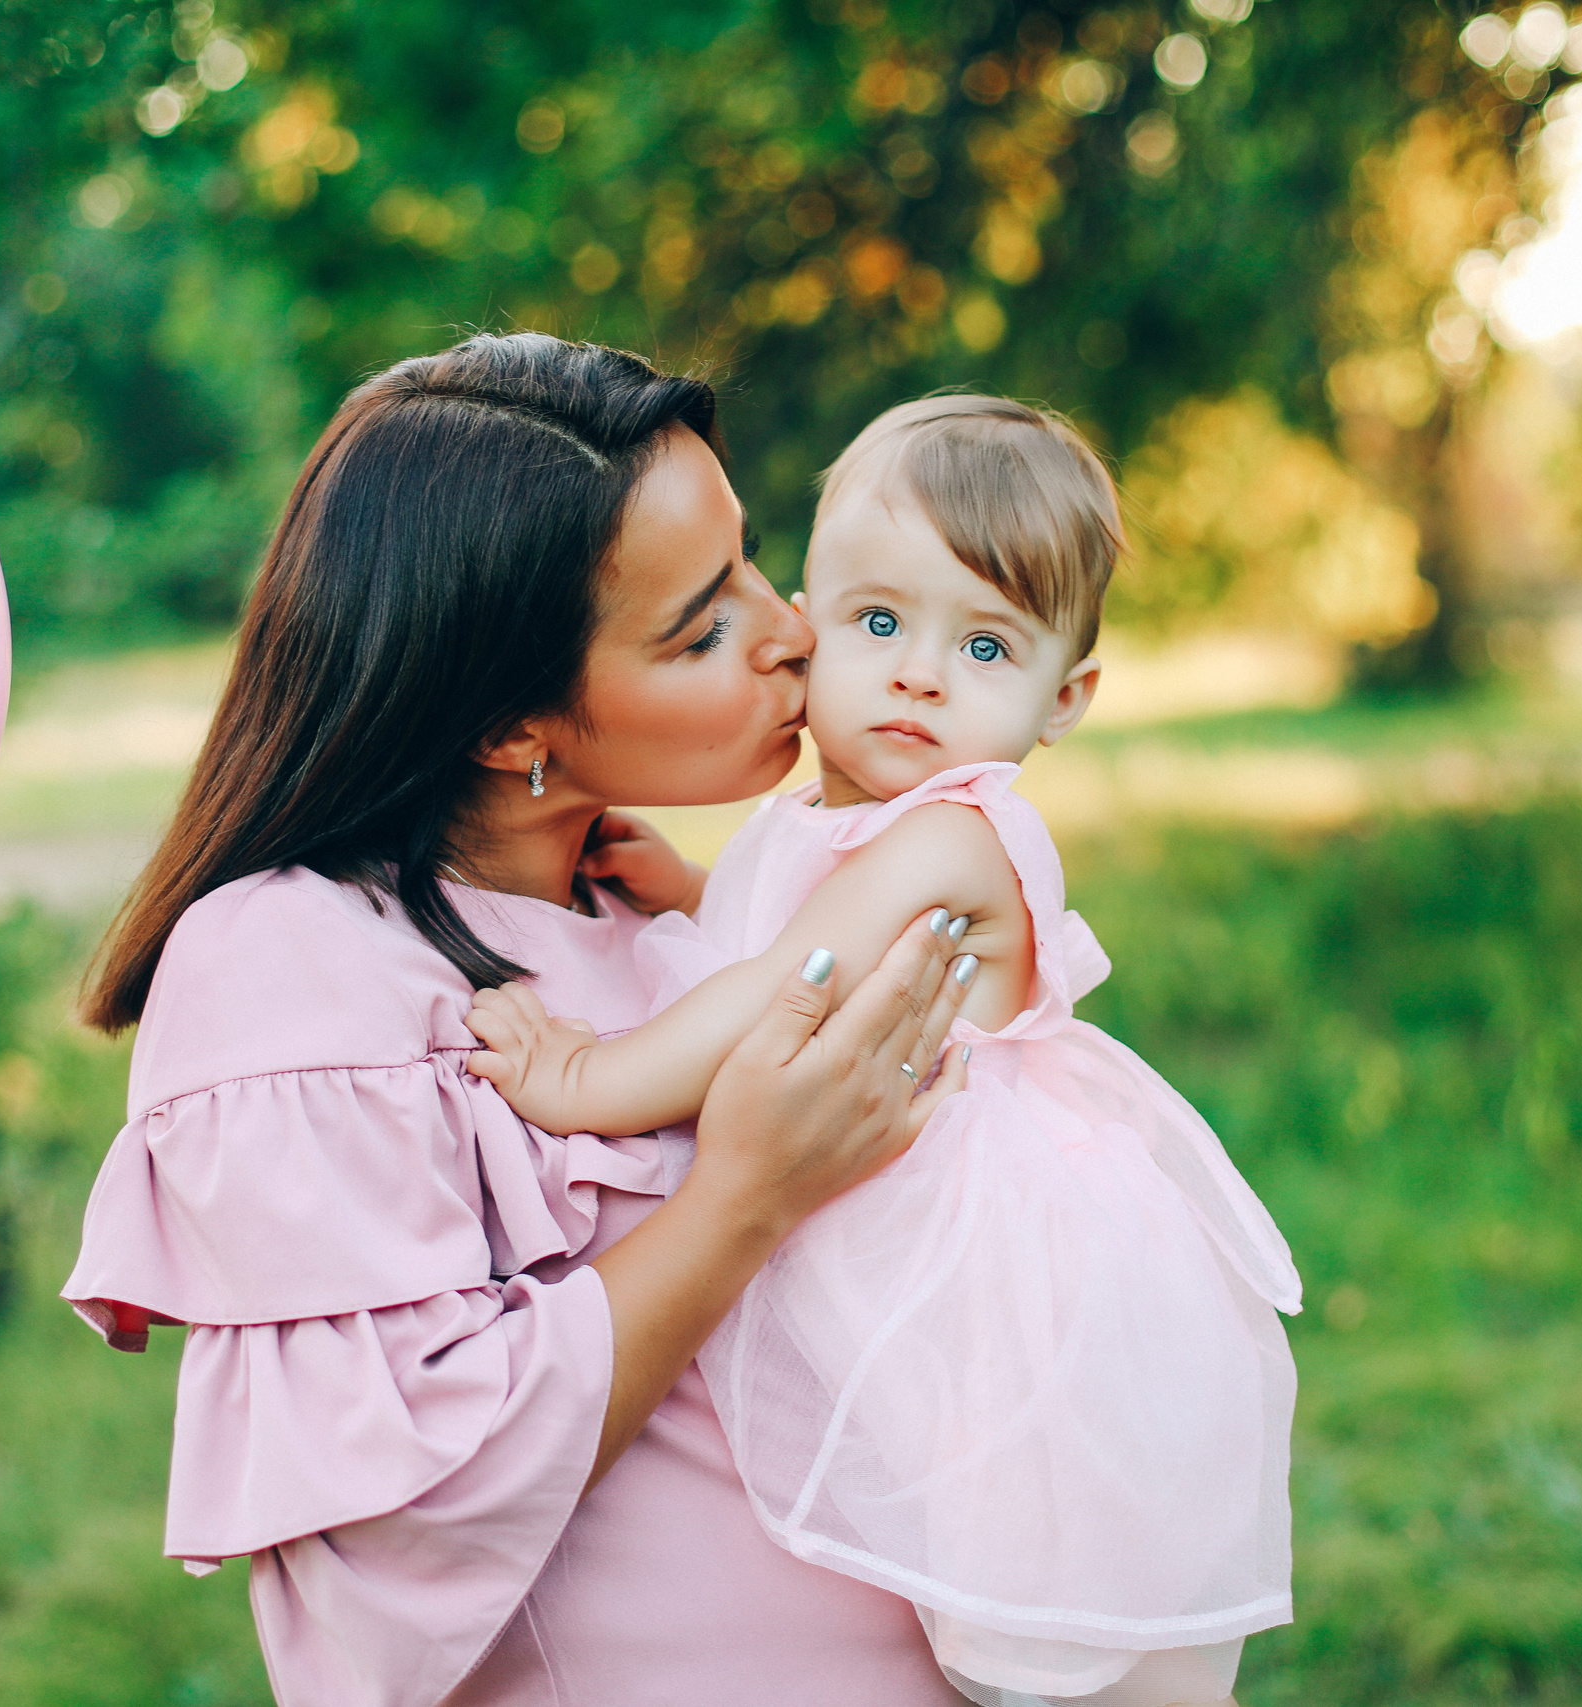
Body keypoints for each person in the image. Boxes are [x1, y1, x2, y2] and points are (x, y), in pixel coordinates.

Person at [61, 333, 989, 1707]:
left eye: (747, 559)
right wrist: (742, 1197)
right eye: (703, 625)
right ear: (510, 725)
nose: (790, 628)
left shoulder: (672, 915)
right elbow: (405, 1511)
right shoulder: (294, 963)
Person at [463, 396, 1304, 1707]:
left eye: (985, 644)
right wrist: (693, 888)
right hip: (895, 1215)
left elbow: (779, 987)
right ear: (808, 625)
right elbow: (794, 928)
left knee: (1042, 1600)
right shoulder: (835, 818)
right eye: (878, 624)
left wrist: (580, 1079)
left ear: (1065, 694)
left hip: (992, 1265)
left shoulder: (952, 836)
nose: (919, 672)